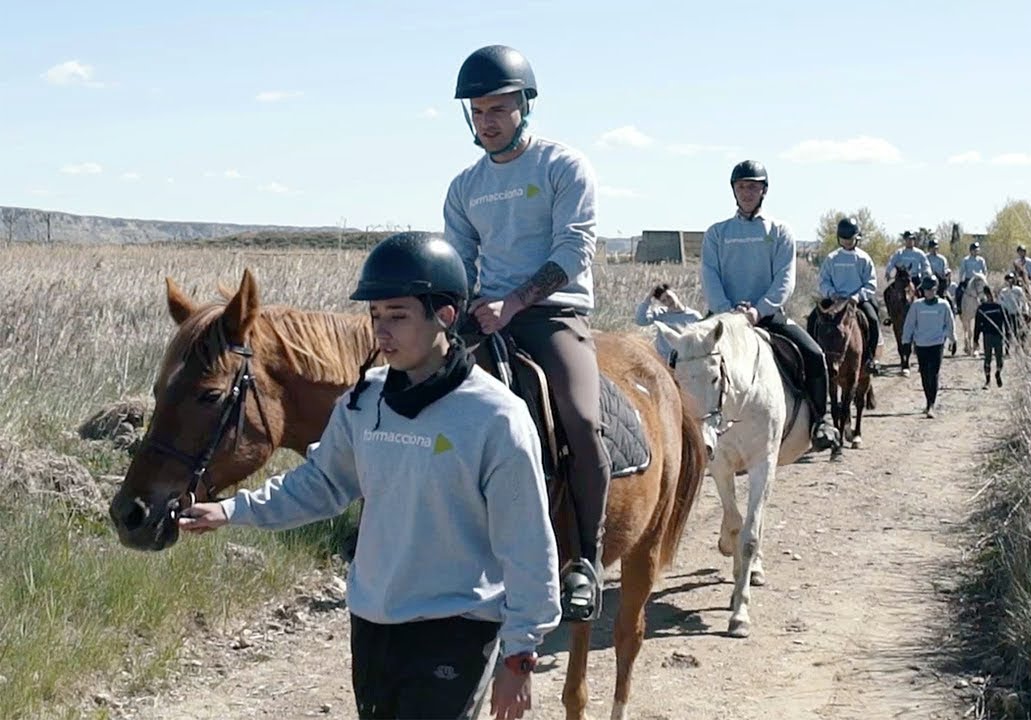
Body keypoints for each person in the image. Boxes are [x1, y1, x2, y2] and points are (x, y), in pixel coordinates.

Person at [177, 233, 561, 720]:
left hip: (456, 628)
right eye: (376, 316)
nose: (381, 331)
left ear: (445, 315)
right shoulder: (365, 400)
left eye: (397, 316)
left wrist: (520, 653)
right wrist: (231, 510)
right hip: (373, 623)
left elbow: (527, 543)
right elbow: (321, 484)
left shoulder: (497, 418)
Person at [443, 44, 608, 622]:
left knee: (580, 418)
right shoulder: (464, 187)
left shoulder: (563, 167)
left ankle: (587, 559)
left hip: (552, 312)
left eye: (498, 110)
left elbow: (573, 250)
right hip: (483, 314)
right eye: (478, 111)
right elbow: (461, 264)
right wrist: (454, 310)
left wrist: (514, 302)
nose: (487, 121)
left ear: (524, 107)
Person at [701, 159, 839, 451]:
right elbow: (710, 277)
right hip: (724, 317)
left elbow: (784, 280)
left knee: (814, 355)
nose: (747, 192)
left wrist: (756, 311)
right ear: (733, 191)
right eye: (741, 186)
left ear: (764, 190)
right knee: (684, 356)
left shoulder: (779, 231)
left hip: (765, 315)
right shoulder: (716, 233)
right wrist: (728, 312)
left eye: (753, 186)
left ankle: (821, 421)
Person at [814, 217, 880, 369]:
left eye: (850, 239)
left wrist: (857, 296)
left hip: (857, 300)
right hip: (835, 300)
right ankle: (814, 357)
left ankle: (870, 357)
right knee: (814, 319)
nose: (847, 242)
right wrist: (832, 293)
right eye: (844, 239)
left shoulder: (864, 258)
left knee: (872, 319)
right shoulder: (832, 258)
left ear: (856, 238)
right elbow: (824, 281)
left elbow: (871, 283)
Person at [901, 275, 954, 418]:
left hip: (937, 344)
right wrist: (906, 339)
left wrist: (952, 339)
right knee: (924, 374)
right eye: (925, 290)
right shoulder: (917, 305)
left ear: (936, 289)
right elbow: (910, 323)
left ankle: (931, 404)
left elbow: (949, 323)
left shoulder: (944, 305)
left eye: (930, 290)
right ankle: (927, 401)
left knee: (934, 373)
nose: (928, 292)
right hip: (921, 344)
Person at [634, 283, 701, 362]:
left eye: (669, 297)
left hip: (686, 361)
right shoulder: (660, 314)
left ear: (674, 293)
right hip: (664, 362)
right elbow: (640, 320)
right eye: (664, 301)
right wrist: (648, 298)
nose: (668, 301)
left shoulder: (693, 316)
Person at [973, 285, 1008, 389]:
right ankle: (987, 380)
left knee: (999, 358)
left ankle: (998, 373)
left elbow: (1006, 322)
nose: (990, 297)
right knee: (987, 358)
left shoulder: (1000, 307)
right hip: (987, 335)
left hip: (998, 336)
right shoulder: (982, 308)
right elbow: (977, 325)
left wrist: (1008, 336)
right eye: (988, 294)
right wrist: (975, 339)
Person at [998, 271, 1029, 348]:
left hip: (1017, 313)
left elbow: (1023, 300)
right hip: (1007, 314)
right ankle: (1007, 348)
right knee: (1007, 331)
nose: (1010, 281)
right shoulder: (1003, 291)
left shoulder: (1018, 290)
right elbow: (1001, 302)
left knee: (1017, 330)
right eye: (1008, 279)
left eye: (1011, 279)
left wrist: (1025, 310)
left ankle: (1019, 346)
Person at [955, 241, 987, 311]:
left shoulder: (981, 260)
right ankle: (959, 307)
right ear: (971, 251)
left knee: (987, 292)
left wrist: (984, 280)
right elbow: (962, 271)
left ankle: (986, 307)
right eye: (975, 250)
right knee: (958, 291)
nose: (976, 251)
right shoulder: (966, 260)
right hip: (968, 280)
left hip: (979, 280)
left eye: (977, 250)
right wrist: (961, 280)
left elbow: (985, 271)